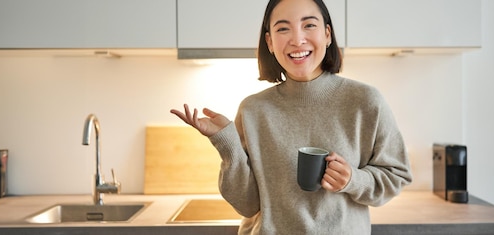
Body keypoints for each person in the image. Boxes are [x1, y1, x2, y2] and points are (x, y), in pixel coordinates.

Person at [170, 0, 412, 234]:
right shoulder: (253, 109)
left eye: (309, 25)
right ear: (270, 42)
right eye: (283, 29)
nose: (297, 40)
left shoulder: (365, 101)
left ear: (327, 34)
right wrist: (226, 142)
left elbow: (396, 176)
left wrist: (354, 180)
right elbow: (247, 205)